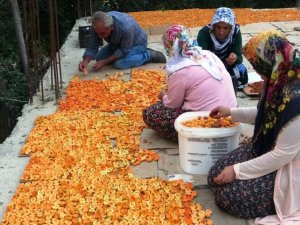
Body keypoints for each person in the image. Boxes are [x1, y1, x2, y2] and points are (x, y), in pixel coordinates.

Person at [208, 30, 300, 224]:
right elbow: (264, 114)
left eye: (257, 66)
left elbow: (282, 155)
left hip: (289, 167)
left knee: (228, 197)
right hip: (267, 148)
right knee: (214, 176)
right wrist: (231, 112)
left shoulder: (296, 102)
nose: (256, 72)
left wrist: (238, 170)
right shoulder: (277, 81)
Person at [142, 25, 237, 141]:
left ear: (170, 47)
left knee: (151, 113)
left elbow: (173, 104)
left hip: (207, 121)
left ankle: (194, 140)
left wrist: (163, 96)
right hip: (231, 114)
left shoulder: (179, 70)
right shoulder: (208, 54)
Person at [78, 11, 166, 72]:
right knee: (98, 58)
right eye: (98, 33)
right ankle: (117, 57)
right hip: (116, 44)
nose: (100, 36)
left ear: (111, 27)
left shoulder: (125, 28)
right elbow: (92, 46)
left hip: (136, 44)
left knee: (119, 64)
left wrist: (105, 62)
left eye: (102, 33)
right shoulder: (97, 25)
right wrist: (85, 61)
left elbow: (123, 50)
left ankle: (149, 55)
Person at [197, 7, 248, 92]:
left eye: (225, 28)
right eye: (218, 27)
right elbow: (200, 58)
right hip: (210, 66)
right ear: (213, 25)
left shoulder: (235, 32)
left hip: (228, 65)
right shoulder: (204, 33)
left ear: (231, 27)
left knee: (241, 71)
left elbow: (239, 57)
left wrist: (235, 58)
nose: (221, 32)